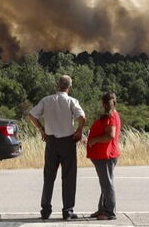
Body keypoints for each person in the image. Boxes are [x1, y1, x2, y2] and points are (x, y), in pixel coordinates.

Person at [29, 75, 86, 220]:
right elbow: (82, 117)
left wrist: (42, 129)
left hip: (51, 141)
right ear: (70, 87)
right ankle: (67, 210)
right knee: (68, 176)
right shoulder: (72, 101)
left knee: (49, 176)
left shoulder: (47, 100)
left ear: (57, 85)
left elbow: (32, 115)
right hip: (67, 141)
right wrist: (79, 131)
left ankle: (45, 209)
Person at [86, 92, 121, 220]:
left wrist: (94, 140)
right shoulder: (111, 115)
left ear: (103, 104)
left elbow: (110, 135)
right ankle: (103, 209)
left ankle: (109, 211)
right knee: (105, 184)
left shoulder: (111, 116)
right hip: (104, 154)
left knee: (107, 184)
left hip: (105, 155)